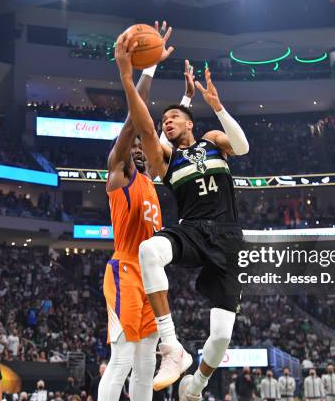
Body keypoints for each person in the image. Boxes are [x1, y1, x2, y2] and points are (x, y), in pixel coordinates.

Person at [114, 27, 249, 399]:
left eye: (174, 118)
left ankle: (197, 384)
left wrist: (216, 105)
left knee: (221, 335)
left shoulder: (213, 141)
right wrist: (137, 74)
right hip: (191, 230)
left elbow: (243, 145)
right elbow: (142, 122)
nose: (167, 122)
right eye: (164, 121)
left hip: (228, 236)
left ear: (191, 122)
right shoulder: (166, 159)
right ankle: (172, 347)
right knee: (149, 250)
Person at [99, 20, 188, 401]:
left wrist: (179, 97)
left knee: (147, 361)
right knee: (121, 358)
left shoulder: (153, 179)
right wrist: (138, 71)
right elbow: (136, 121)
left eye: (141, 144)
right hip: (123, 270)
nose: (138, 145)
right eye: (133, 141)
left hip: (150, 276)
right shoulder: (119, 172)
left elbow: (155, 131)